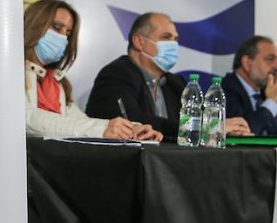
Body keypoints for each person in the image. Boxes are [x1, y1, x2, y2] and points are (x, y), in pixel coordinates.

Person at [86, 12, 250, 139]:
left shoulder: (175, 82)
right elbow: (133, 121)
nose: (174, 44)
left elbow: (198, 119)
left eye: (175, 39)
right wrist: (206, 127)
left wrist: (221, 129)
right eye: (166, 37)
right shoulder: (116, 74)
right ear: (139, 41)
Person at [24, 0, 160, 140]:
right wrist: (101, 129)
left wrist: (131, 129)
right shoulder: (12, 73)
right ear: (34, 25)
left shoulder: (57, 81)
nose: (63, 38)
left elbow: (79, 122)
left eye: (68, 33)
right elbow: (27, 118)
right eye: (57, 27)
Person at [221, 35, 277, 136]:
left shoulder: (263, 93)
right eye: (270, 59)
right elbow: (243, 132)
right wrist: (271, 102)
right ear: (247, 63)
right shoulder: (225, 92)